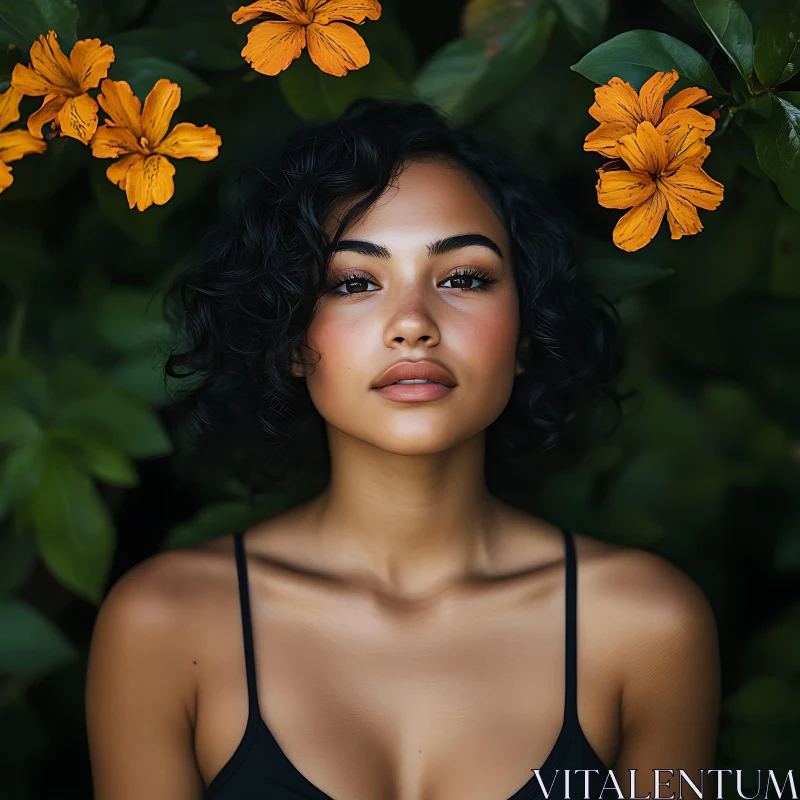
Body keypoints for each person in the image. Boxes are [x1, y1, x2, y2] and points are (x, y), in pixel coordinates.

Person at [85, 98, 721, 800]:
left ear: (527, 332)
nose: (413, 324)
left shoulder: (649, 627)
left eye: (464, 278)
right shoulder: (164, 627)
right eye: (354, 283)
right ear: (293, 340)